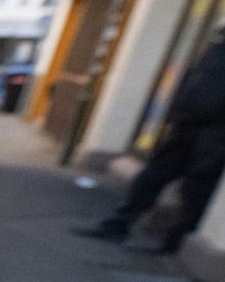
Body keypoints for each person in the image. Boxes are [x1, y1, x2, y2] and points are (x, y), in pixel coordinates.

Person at [78, 34, 225, 253]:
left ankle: (173, 242)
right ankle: (120, 223)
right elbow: (195, 84)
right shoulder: (216, 49)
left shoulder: (216, 50)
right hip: (189, 126)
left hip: (214, 132)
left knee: (195, 189)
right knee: (154, 177)